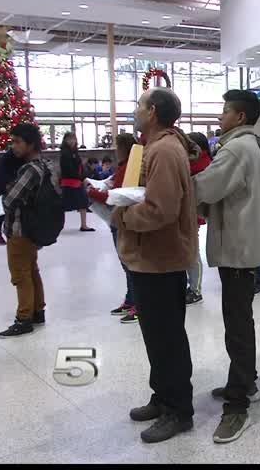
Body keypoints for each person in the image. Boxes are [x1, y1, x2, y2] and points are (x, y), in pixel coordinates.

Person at [112, 88, 198, 444]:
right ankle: (162, 397)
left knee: (167, 338)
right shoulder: (154, 146)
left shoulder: (163, 149)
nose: (135, 110)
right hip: (149, 258)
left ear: (154, 112)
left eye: (140, 105)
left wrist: (121, 216)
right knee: (156, 336)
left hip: (161, 259)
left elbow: (161, 209)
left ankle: (180, 411)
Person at [194, 89, 260, 444]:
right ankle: (247, 382)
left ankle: (237, 406)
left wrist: (184, 176)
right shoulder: (248, 145)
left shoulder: (237, 148)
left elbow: (206, 188)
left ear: (240, 117)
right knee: (241, 320)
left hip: (238, 249)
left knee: (237, 326)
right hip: (243, 246)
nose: (220, 117)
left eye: (224, 111)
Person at [0, 123, 61, 338]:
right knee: (32, 270)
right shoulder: (47, 165)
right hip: (34, 229)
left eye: (17, 142)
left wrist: (4, 189)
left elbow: (10, 200)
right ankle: (37, 311)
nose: (13, 147)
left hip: (20, 229)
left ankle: (24, 318)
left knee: (20, 275)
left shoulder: (29, 169)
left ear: (30, 144)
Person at [87, 133, 139, 323]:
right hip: (117, 219)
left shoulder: (129, 168)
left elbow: (119, 195)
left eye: (118, 146)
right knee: (126, 264)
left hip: (123, 219)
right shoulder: (123, 167)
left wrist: (93, 192)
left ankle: (137, 303)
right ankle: (131, 299)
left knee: (130, 264)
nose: (115, 150)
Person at [184, 132, 213, 305]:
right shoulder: (194, 160)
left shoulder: (203, 163)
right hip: (186, 212)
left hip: (192, 212)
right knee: (187, 251)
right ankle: (191, 287)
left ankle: (195, 289)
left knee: (192, 253)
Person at [0, 148, 26, 246]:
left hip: (6, 187)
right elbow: (2, 177)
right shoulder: (7, 160)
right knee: (3, 211)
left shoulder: (12, 159)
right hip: (3, 187)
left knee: (4, 211)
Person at [59, 133, 95, 232]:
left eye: (73, 139)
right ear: (65, 140)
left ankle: (83, 225)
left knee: (82, 202)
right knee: (66, 205)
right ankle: (61, 226)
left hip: (74, 181)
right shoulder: (65, 153)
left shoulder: (73, 152)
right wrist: (80, 177)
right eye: (69, 139)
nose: (72, 141)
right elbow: (68, 169)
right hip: (71, 181)